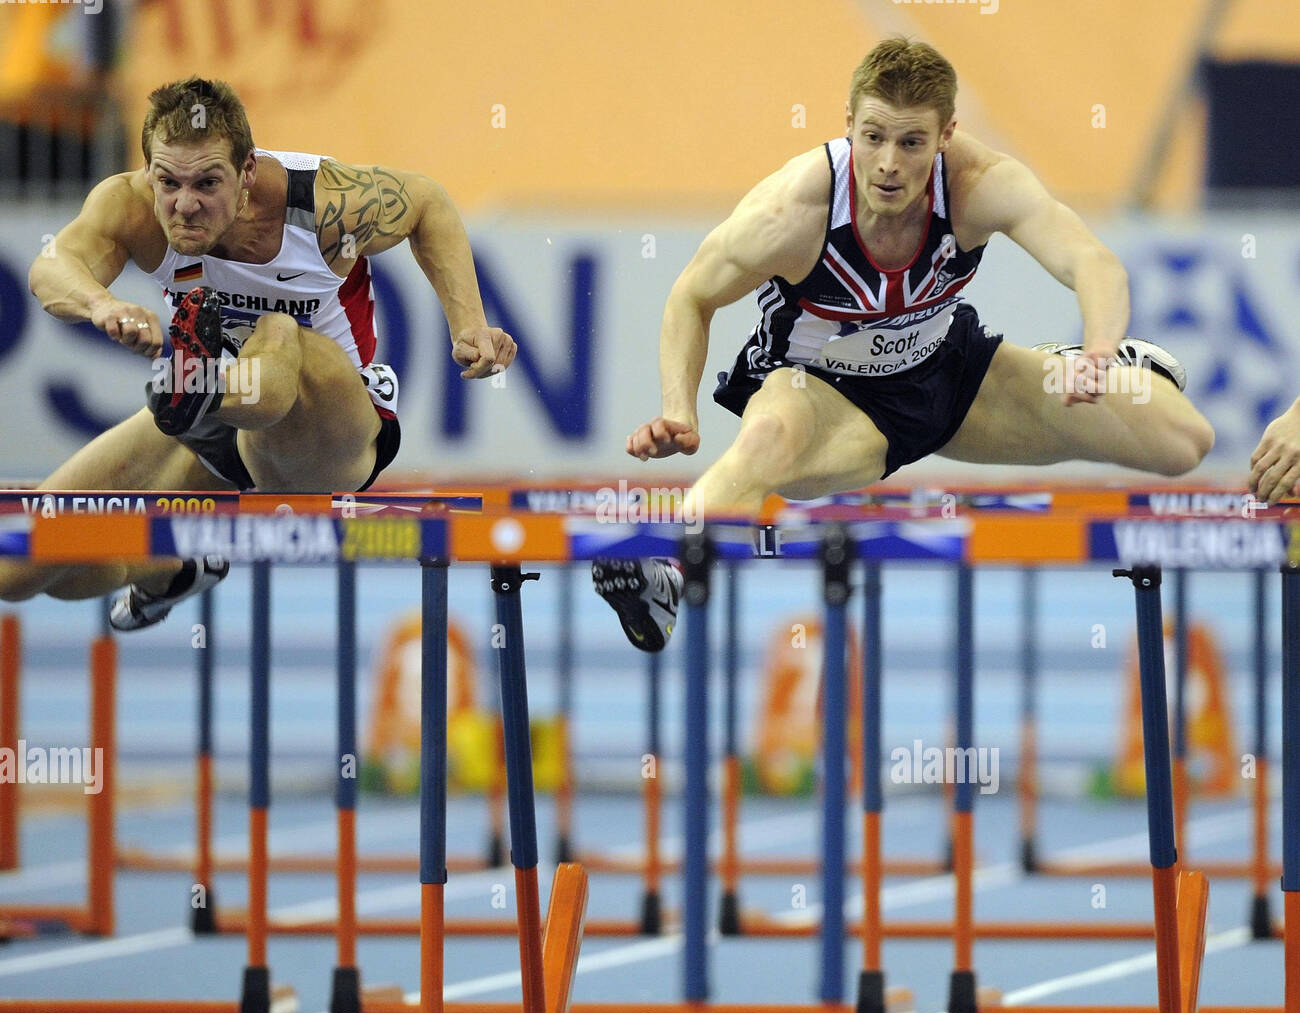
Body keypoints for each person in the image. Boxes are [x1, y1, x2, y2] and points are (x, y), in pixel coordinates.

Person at [593, 37, 1215, 653]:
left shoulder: (982, 184)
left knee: (1184, 442)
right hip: (824, 393)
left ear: (945, 136)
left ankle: (1075, 361)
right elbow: (690, 298)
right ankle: (666, 570)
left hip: (952, 371)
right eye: (874, 138)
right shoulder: (790, 211)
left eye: (912, 142)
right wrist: (680, 409)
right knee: (765, 442)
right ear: (849, 126)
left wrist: (1099, 351)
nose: (889, 162)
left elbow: (1092, 261)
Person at [0, 77, 514, 628]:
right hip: (221, 420)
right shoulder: (131, 206)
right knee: (21, 561)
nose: (186, 205)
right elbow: (51, 268)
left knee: (278, 331)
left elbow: (427, 204)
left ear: (247, 173)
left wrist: (471, 325)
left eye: (207, 183)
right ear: (148, 170)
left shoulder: (321, 200)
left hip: (328, 430)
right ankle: (171, 570)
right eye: (168, 181)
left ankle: (203, 389)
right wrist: (101, 305)